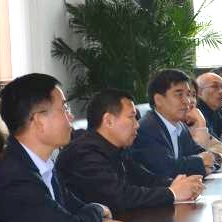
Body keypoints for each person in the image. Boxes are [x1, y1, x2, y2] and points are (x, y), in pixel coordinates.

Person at [0, 74, 127, 222]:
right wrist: (99, 211)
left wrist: (96, 220)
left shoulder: (42, 162)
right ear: (39, 120)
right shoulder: (12, 173)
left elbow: (73, 209)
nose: (70, 116)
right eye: (64, 109)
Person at [57, 89, 205, 214]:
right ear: (108, 120)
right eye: (132, 117)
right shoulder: (83, 152)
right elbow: (118, 197)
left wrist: (181, 184)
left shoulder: (116, 148)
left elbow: (145, 179)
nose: (137, 125)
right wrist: (172, 193)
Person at [133, 69, 217, 178]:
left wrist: (207, 162)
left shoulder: (180, 126)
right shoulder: (147, 129)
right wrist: (201, 163)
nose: (187, 101)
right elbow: (166, 169)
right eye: (179, 95)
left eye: (188, 94)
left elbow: (204, 155)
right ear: (158, 100)